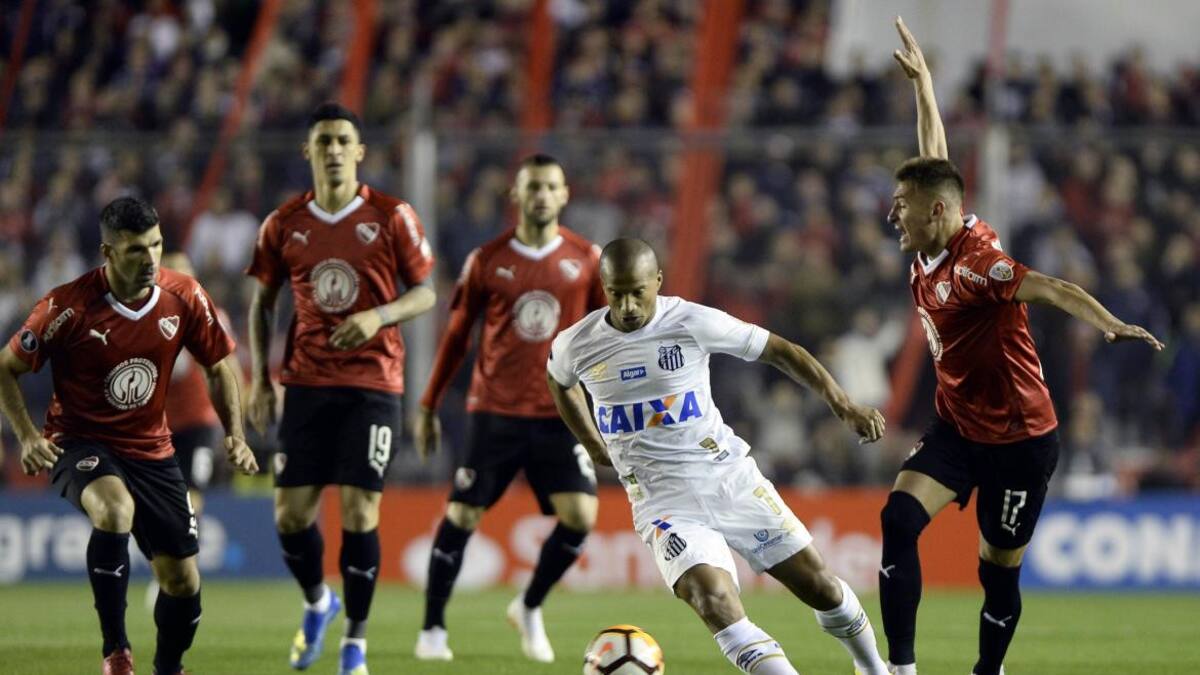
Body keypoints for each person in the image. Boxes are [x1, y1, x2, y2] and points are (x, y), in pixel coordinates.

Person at [879, 18, 1164, 675]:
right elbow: (935, 162)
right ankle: (899, 669)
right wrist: (924, 85)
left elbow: (1052, 286)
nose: (894, 213)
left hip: (1021, 440)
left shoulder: (979, 265)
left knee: (997, 569)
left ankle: (989, 670)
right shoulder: (933, 238)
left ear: (937, 214)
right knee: (898, 518)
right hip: (958, 427)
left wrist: (1108, 321)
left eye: (902, 205)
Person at [548, 238, 891, 675]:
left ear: (658, 281)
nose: (628, 305)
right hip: (662, 502)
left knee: (820, 587)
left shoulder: (691, 321)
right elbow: (558, 381)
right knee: (712, 599)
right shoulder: (577, 343)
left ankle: (873, 668)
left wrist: (844, 406)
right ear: (604, 287)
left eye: (638, 292)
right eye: (617, 294)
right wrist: (591, 440)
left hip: (729, 479)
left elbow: (781, 350)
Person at [0, 196, 258, 675]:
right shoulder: (66, 306)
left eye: (156, 245)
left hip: (152, 449)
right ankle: (116, 653)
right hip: (79, 441)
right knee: (115, 510)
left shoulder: (184, 295)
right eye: (137, 249)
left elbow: (219, 367)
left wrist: (236, 435)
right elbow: (6, 367)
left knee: (183, 582)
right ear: (108, 252)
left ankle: (168, 667)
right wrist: (28, 436)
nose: (151, 259)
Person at [246, 102, 436, 675]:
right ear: (308, 150)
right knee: (290, 516)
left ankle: (355, 642)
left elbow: (426, 292)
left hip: (374, 383)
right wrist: (260, 381)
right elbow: (263, 303)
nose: (333, 150)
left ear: (359, 152)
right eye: (324, 140)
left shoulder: (392, 215)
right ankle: (317, 602)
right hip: (306, 382)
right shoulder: (283, 223)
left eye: (342, 140)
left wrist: (379, 316)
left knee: (359, 510)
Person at [412, 154, 605, 663]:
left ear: (565, 194)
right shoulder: (486, 260)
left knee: (580, 516)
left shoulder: (586, 259)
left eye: (551, 186)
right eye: (533, 187)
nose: (541, 195)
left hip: (559, 412)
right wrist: (428, 405)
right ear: (516, 195)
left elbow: (606, 336)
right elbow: (456, 337)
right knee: (462, 513)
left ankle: (530, 605)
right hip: (495, 410)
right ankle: (432, 629)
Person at [143, 252, 229, 609]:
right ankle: (166, 572)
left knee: (192, 497)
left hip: (199, 422)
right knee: (158, 503)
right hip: (159, 424)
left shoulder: (210, 315)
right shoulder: (146, 318)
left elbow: (222, 369)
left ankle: (184, 568)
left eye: (186, 274)